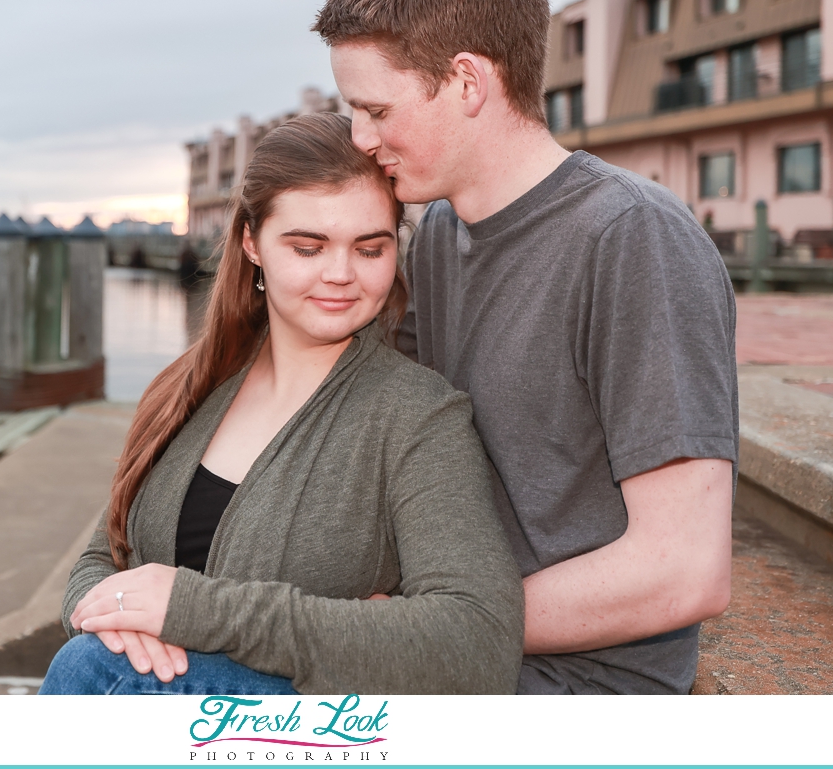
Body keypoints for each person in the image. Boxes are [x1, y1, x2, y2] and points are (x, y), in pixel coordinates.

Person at [314, 0, 738, 694]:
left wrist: (426, 624)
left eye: (376, 109)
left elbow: (686, 569)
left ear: (469, 82)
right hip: (466, 649)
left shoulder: (632, 238)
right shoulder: (439, 235)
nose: (359, 136)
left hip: (573, 686)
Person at [39, 112, 524, 696]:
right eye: (308, 246)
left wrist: (194, 611)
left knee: (85, 671)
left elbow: (480, 640)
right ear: (252, 243)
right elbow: (103, 554)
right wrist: (113, 625)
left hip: (311, 731)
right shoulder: (190, 387)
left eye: (370, 250)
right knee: (92, 663)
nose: (341, 274)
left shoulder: (418, 417)